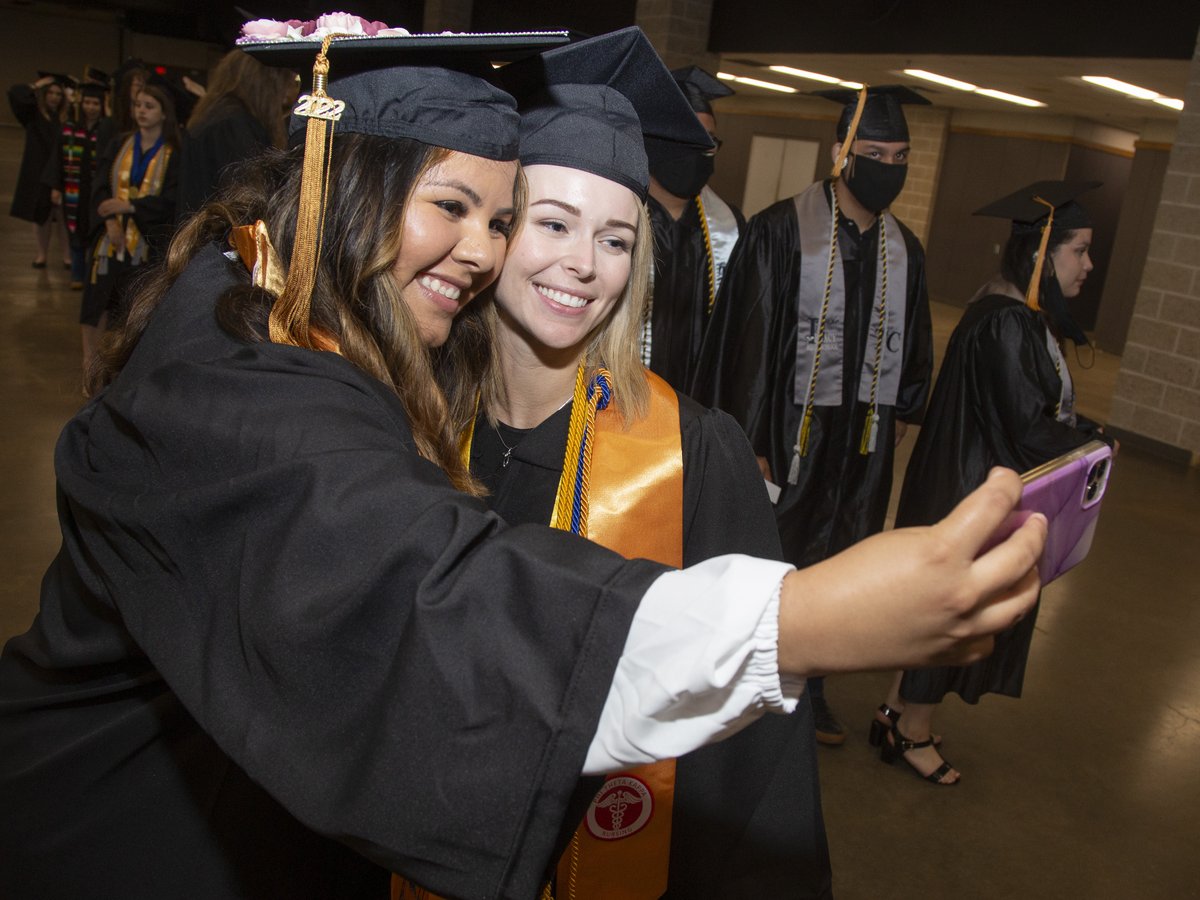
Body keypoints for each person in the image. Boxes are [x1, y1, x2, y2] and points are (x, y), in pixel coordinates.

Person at [0, 27, 1045, 900]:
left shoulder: (682, 447)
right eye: (495, 214)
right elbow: (426, 608)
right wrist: (805, 621)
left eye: (611, 237)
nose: (497, 249)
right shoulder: (276, 381)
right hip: (128, 835)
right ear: (346, 187)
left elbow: (746, 793)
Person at [438, 28, 830, 898]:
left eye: (616, 240)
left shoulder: (693, 456)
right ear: (495, 232)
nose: (583, 265)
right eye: (553, 223)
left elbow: (752, 749)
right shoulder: (416, 420)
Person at [692, 85, 935, 745]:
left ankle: (814, 687)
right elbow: (746, 345)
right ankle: (750, 680)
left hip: (860, 445)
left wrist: (897, 418)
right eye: (874, 153)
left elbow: (913, 348)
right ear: (841, 153)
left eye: (900, 156)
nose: (888, 167)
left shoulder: (904, 250)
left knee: (845, 559)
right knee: (775, 557)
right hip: (788, 436)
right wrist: (749, 441)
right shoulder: (780, 231)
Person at [875, 181, 1116, 785]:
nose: (1088, 264)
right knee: (957, 613)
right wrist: (1092, 445)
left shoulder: (1008, 311)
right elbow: (1027, 427)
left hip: (964, 478)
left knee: (938, 607)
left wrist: (1083, 429)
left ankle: (894, 710)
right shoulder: (1007, 322)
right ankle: (912, 732)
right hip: (973, 490)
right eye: (1079, 250)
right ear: (1042, 254)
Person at [640, 66, 742, 394]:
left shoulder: (732, 227)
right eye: (688, 137)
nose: (700, 150)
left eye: (709, 142)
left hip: (698, 403)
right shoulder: (615, 221)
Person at [81, 83, 180, 369]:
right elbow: (100, 188)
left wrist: (130, 206)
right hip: (109, 241)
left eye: (149, 106)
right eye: (138, 105)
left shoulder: (174, 153)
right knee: (95, 300)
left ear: (164, 113)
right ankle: (88, 363)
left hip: (146, 244)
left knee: (132, 305)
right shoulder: (118, 144)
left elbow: (171, 199)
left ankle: (122, 365)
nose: (141, 111)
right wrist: (110, 221)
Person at [176, 49, 296, 222]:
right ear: (267, 83)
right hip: (224, 229)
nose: (287, 92)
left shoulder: (213, 115)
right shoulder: (235, 125)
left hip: (201, 225)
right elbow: (248, 193)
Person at [44, 78, 114, 290]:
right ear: (81, 103)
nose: (90, 108)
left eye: (95, 103)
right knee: (75, 234)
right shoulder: (70, 128)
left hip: (96, 192)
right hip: (74, 190)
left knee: (94, 232)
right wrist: (56, 186)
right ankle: (76, 274)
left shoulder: (106, 131)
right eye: (87, 103)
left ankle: (92, 275)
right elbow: (57, 159)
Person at [8, 72, 68, 268]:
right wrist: (36, 85)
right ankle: (41, 254)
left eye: (58, 94)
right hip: (38, 171)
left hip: (62, 170)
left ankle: (67, 256)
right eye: (50, 93)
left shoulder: (66, 118)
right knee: (41, 215)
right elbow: (15, 93)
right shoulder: (33, 114)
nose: (54, 97)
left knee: (63, 215)